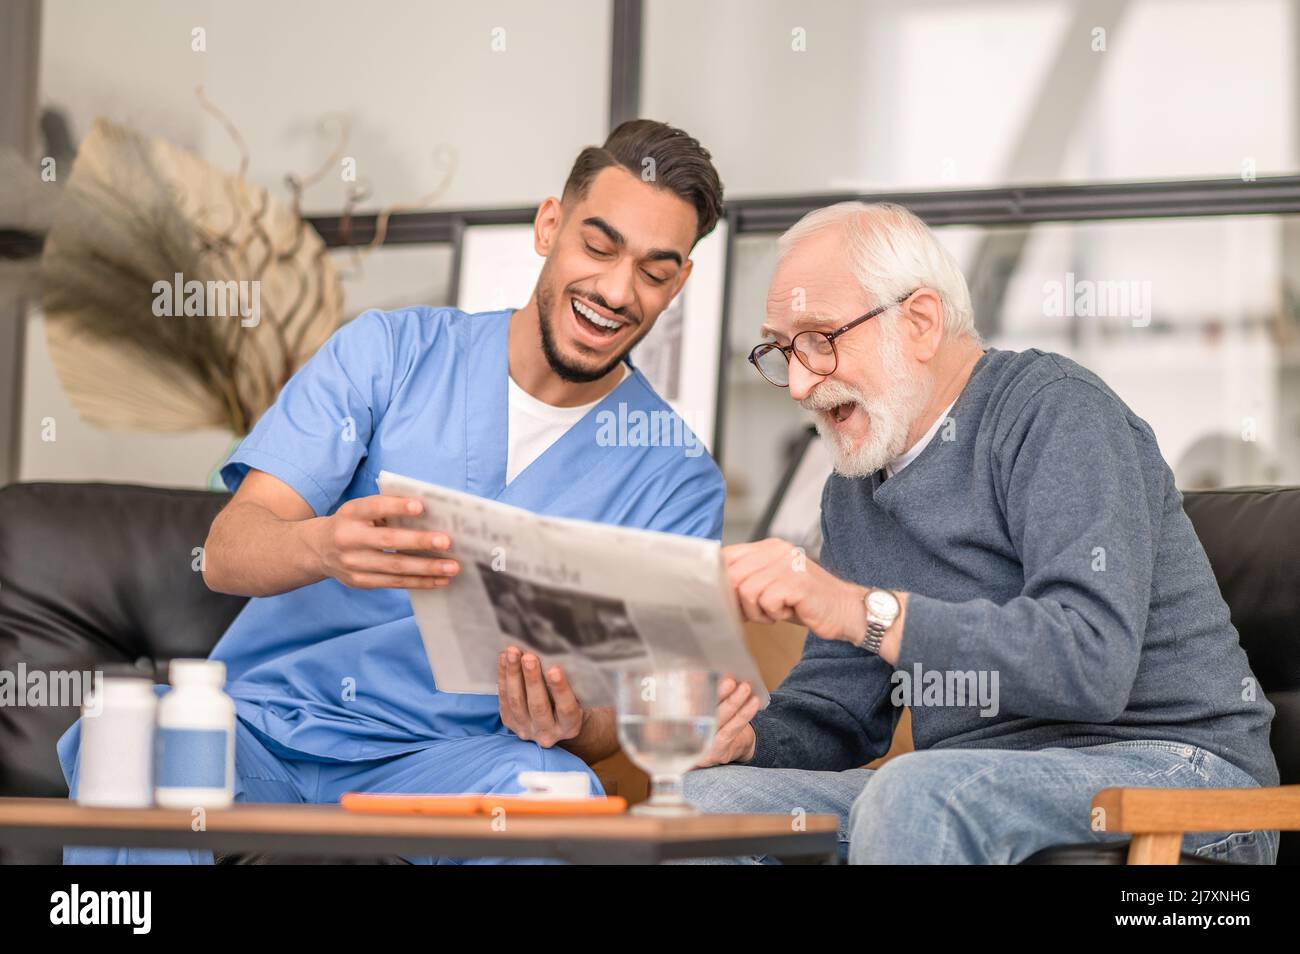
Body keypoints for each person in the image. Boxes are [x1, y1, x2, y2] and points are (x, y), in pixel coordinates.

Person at [57, 119, 750, 864]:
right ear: (551, 225)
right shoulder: (387, 354)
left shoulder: (674, 478)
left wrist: (575, 721)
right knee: (136, 755)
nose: (616, 290)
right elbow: (228, 552)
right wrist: (320, 545)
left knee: (556, 791)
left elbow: (633, 714)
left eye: (653, 270)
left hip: (449, 764)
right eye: (599, 244)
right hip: (263, 733)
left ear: (677, 283)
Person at [685, 201, 1280, 865]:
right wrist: (751, 741)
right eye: (782, 350)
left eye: (821, 340)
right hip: (971, 781)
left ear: (919, 322)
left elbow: (1089, 664)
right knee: (704, 804)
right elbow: (837, 711)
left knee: (913, 794)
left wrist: (862, 611)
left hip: (1178, 777)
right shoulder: (853, 491)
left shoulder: (1058, 412)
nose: (798, 384)